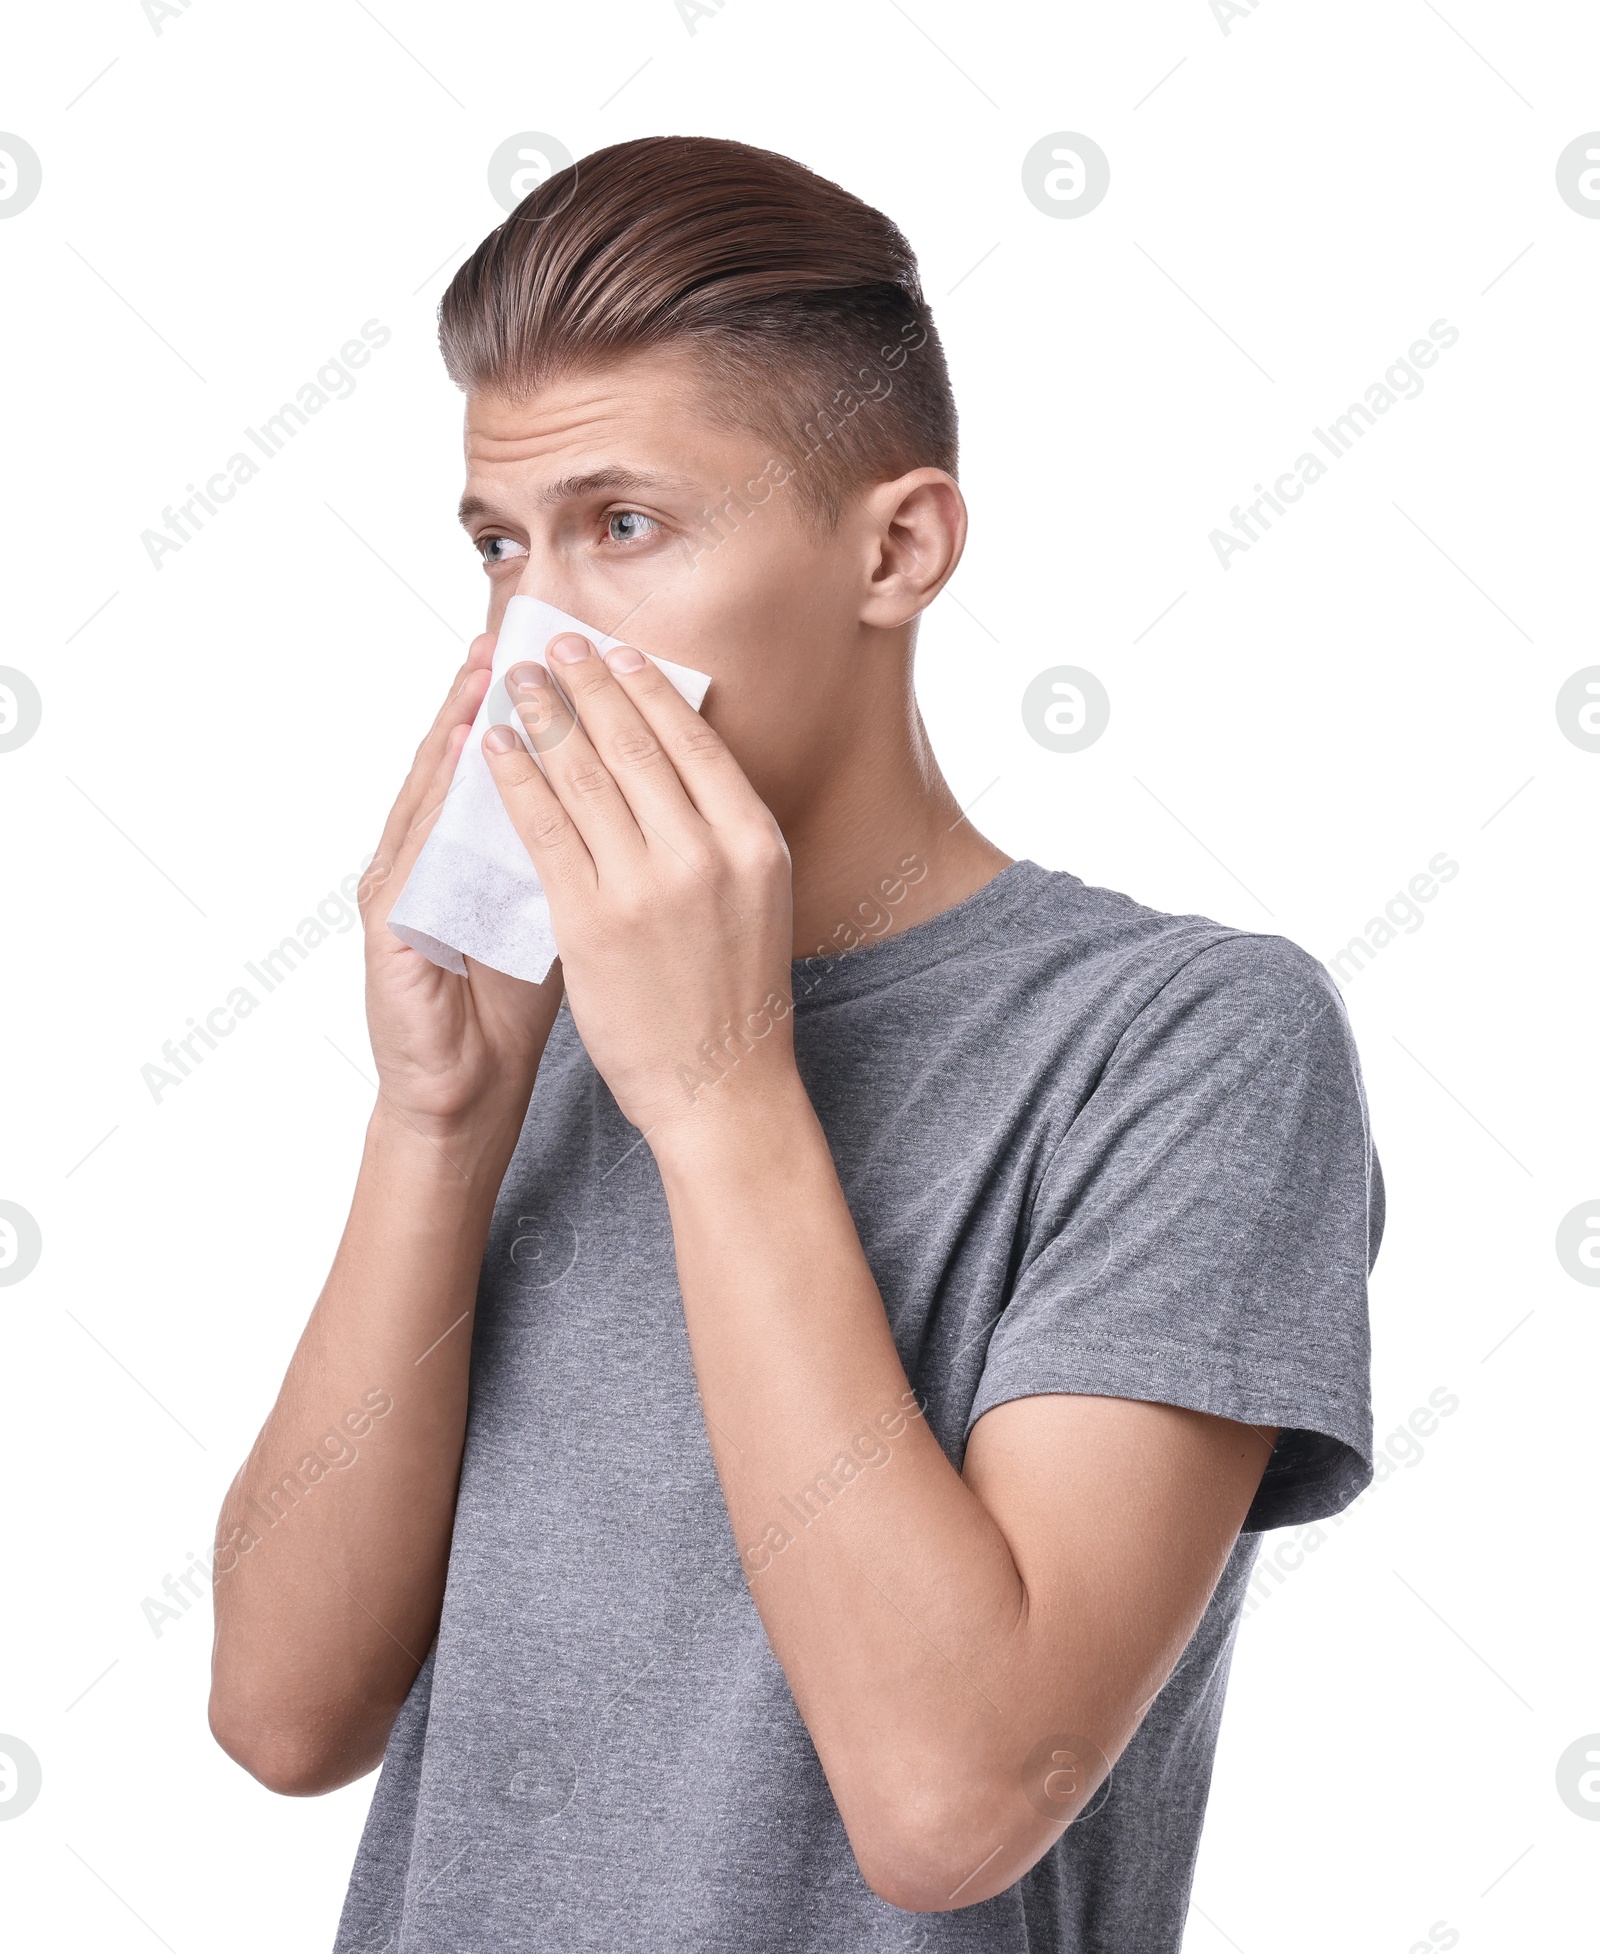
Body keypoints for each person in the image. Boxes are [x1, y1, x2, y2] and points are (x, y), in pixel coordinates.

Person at [208, 134, 1381, 1953]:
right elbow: (284, 1717)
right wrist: (437, 1115)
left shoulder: (1187, 1043)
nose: (541, 633)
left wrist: (720, 1092)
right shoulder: (548, 1031)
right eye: (502, 548)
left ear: (897, 547)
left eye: (626, 526)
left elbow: (952, 1799)